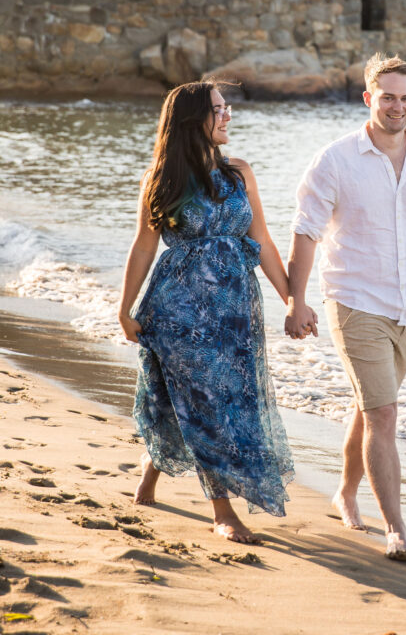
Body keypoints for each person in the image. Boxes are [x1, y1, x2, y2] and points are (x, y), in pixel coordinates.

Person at [285, 53, 406, 561]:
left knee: (370, 407)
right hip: (354, 300)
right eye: (388, 97)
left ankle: (346, 492)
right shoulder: (336, 159)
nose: (398, 106)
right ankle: (397, 529)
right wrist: (295, 299)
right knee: (385, 413)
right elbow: (305, 231)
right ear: (368, 98)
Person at [118, 81, 295, 544]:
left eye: (227, 107)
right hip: (178, 311)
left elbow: (263, 242)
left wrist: (293, 299)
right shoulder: (162, 177)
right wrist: (124, 309)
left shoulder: (238, 172)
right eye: (219, 108)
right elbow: (143, 247)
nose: (228, 115)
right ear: (194, 118)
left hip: (236, 313)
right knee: (206, 402)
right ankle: (223, 512)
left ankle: (150, 473)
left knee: (210, 401)